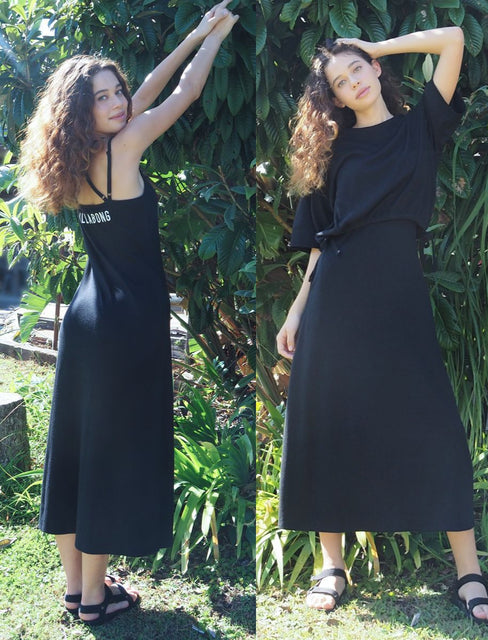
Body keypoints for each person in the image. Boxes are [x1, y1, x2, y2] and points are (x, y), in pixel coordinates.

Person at [18, 1, 238, 626]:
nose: (119, 103)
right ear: (82, 111)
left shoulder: (75, 159)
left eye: (119, 92)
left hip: (86, 319)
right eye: (105, 97)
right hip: (127, 322)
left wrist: (194, 32)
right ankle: (95, 600)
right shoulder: (126, 147)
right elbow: (185, 92)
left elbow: (146, 92)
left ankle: (75, 589)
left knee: (76, 453)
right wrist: (215, 38)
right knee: (108, 458)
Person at [276, 27, 488, 624]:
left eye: (357, 70)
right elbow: (321, 241)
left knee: (435, 426)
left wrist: (374, 48)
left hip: (399, 297)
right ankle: (332, 565)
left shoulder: (420, 125)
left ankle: (469, 575)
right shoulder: (334, 152)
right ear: (334, 98)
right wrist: (297, 310)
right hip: (336, 298)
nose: (352, 83)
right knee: (329, 424)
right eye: (339, 83)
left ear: (375, 70)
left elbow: (454, 40)